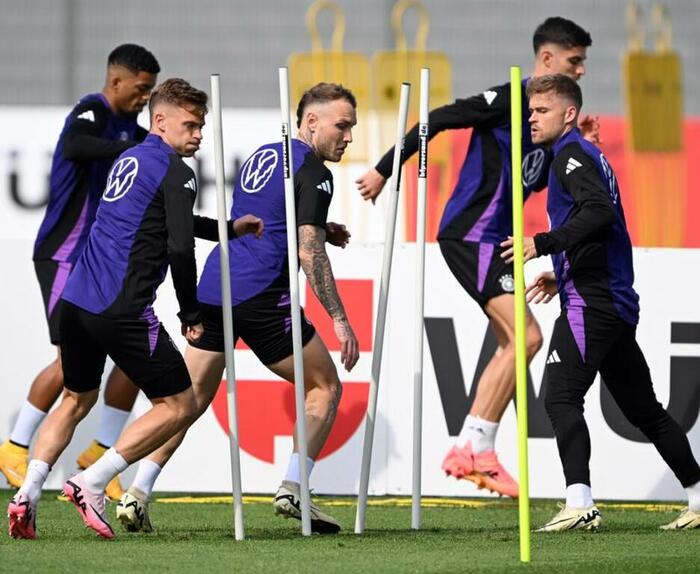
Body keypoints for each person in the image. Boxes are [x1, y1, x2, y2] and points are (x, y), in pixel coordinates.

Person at [7, 78, 264, 540]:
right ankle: (93, 481)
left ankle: (26, 494)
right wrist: (190, 314)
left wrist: (229, 228)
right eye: (190, 125)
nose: (199, 135)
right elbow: (180, 248)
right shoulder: (177, 172)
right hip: (121, 310)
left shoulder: (129, 160)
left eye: (201, 126)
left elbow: (168, 221)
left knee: (76, 399)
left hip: (76, 301)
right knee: (180, 404)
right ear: (160, 121)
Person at [355, 17, 595, 498]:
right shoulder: (509, 98)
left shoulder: (546, 126)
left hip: (493, 239)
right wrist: (385, 169)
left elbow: (529, 180)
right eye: (575, 60)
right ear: (548, 58)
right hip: (472, 234)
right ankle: (475, 447)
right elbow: (439, 118)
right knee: (527, 337)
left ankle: (472, 447)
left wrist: (578, 144)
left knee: (514, 343)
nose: (582, 70)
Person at [116, 82, 359, 535]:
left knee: (187, 400)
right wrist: (341, 319)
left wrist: (322, 226)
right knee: (324, 387)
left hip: (215, 284)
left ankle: (137, 492)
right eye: (342, 126)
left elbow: (273, 215)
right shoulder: (315, 171)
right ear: (311, 121)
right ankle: (294, 487)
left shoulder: (265, 154)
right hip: (262, 294)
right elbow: (308, 252)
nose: (348, 137)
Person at [500, 73, 700, 531]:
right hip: (607, 297)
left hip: (592, 302)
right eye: (530, 111)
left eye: (542, 110)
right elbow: (600, 223)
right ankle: (699, 496)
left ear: (569, 113)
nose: (532, 118)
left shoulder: (571, 155)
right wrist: (564, 271)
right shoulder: (582, 154)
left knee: (560, 396)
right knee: (644, 410)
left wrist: (542, 243)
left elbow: (599, 213)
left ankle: (580, 503)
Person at [0, 44, 161, 501]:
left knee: (130, 354)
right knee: (68, 361)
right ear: (117, 81)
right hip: (64, 254)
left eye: (151, 91)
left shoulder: (132, 128)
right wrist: (131, 148)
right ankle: (14, 448)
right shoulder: (91, 111)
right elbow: (74, 145)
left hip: (100, 261)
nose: (144, 98)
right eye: (141, 88)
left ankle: (100, 451)